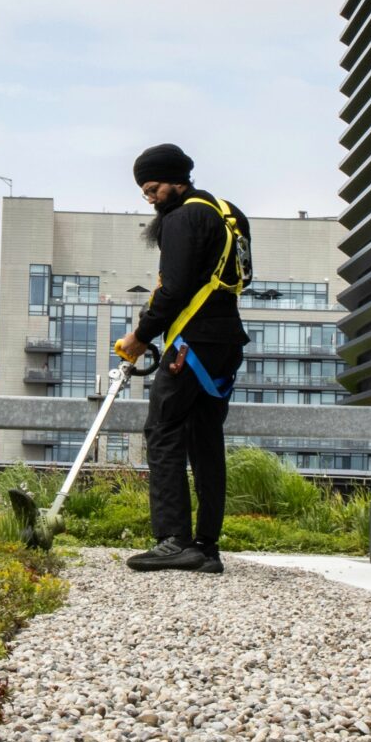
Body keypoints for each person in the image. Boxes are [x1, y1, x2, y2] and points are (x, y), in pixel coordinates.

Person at [113, 143, 251, 574]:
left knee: (164, 430)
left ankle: (173, 540)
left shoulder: (182, 218)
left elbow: (173, 291)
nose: (150, 198)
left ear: (176, 180)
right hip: (226, 341)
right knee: (206, 438)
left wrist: (140, 335)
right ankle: (207, 546)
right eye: (144, 192)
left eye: (153, 188)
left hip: (191, 343)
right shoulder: (230, 214)